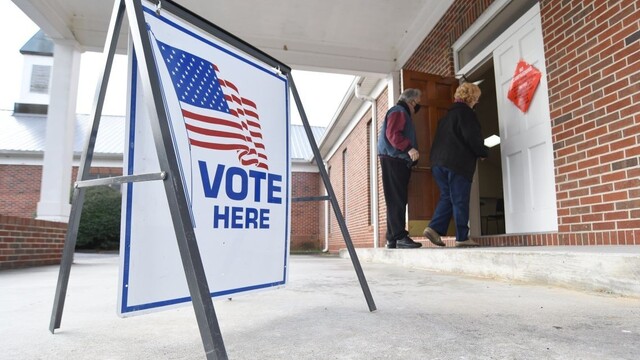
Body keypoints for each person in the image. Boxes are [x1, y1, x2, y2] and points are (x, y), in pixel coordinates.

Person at [423, 82, 488, 248]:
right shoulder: (466, 114)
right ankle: (462, 237)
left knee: (448, 196)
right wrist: (482, 152)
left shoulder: (447, 115)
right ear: (471, 98)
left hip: (438, 163)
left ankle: (434, 228)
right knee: (459, 198)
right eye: (477, 98)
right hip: (456, 163)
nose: (477, 102)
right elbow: (472, 137)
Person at [378, 88, 423, 249]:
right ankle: (399, 236)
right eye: (417, 103)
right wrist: (409, 148)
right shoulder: (399, 111)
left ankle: (392, 238)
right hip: (395, 159)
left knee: (394, 199)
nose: (417, 107)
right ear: (411, 101)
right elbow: (393, 134)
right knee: (397, 199)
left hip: (393, 159)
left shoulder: (399, 111)